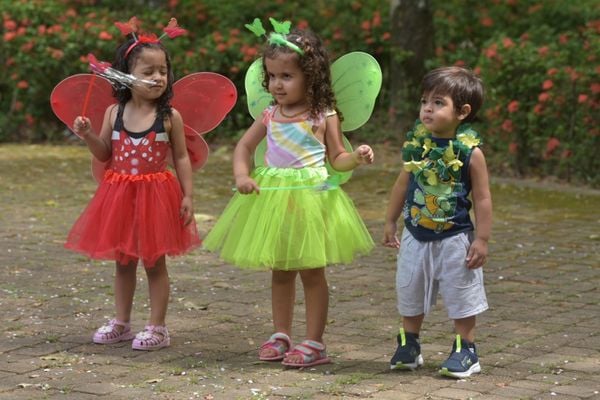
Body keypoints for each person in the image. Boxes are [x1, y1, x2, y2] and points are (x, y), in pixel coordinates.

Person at [203, 27, 375, 367]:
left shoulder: (323, 114)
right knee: (280, 270)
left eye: (286, 76)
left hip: (312, 198)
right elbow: (244, 147)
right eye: (271, 76)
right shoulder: (270, 114)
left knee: (312, 270)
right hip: (273, 199)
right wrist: (241, 176)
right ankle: (281, 334)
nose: (276, 84)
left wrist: (356, 159)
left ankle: (314, 342)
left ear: (309, 76)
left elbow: (337, 157)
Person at [66, 28, 200, 350]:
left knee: (154, 262)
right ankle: (122, 322)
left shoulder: (170, 117)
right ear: (127, 76)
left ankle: (158, 327)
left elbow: (181, 156)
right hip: (119, 195)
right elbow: (104, 155)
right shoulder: (115, 113)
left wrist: (188, 195)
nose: (158, 78)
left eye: (163, 71)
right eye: (148, 71)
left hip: (156, 196)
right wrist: (87, 136)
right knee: (123, 261)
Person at [382, 66, 492, 378]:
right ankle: (409, 343)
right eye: (424, 101)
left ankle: (465, 349)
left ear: (463, 112)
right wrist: (390, 222)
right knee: (410, 287)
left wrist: (481, 239)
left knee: (461, 291)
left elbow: (483, 198)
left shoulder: (472, 154)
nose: (427, 108)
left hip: (455, 236)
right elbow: (401, 186)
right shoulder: (418, 147)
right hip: (415, 233)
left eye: (438, 102)